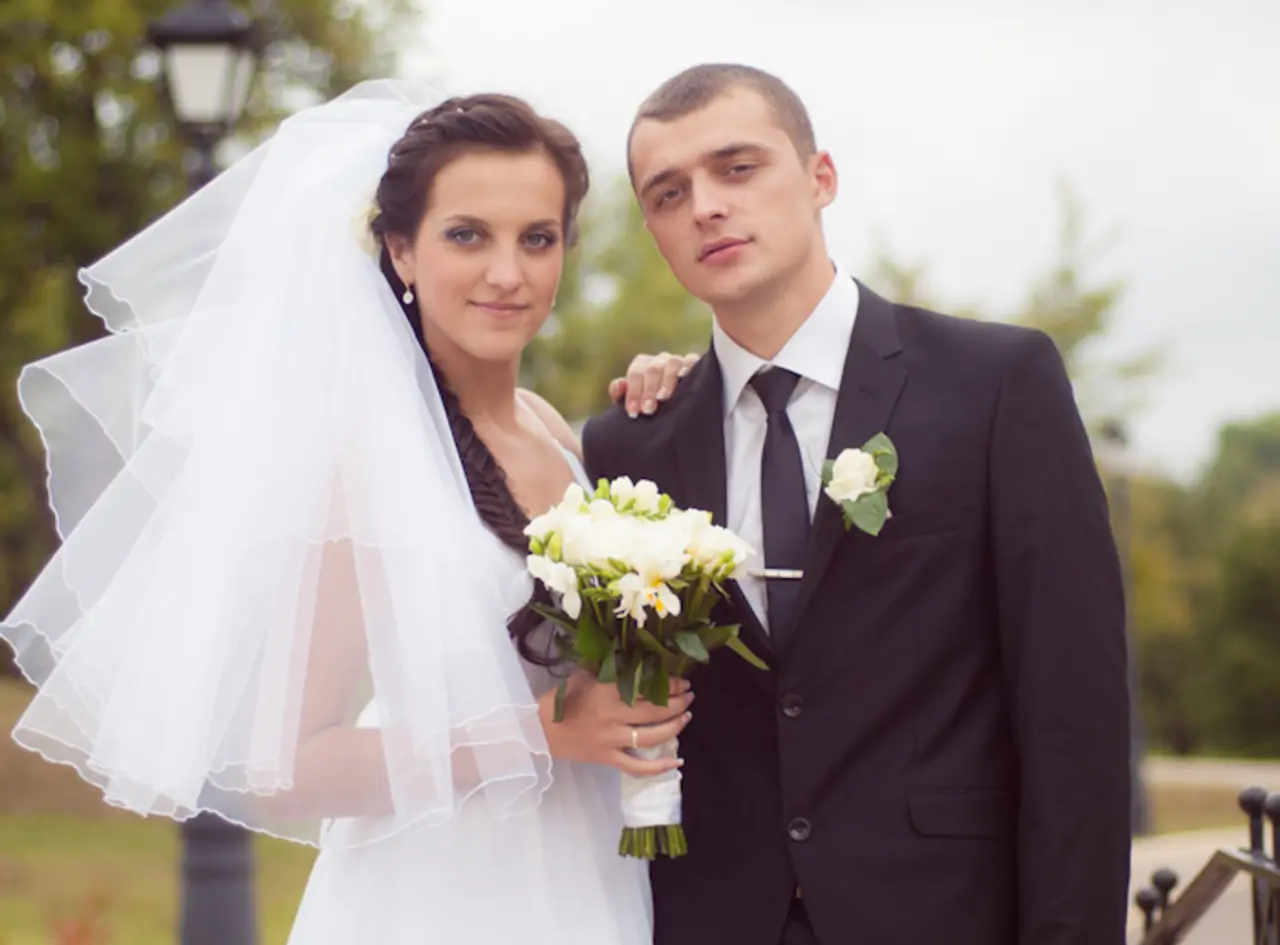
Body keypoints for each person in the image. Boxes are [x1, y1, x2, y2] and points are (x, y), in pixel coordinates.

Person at [1, 80, 691, 945]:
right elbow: (281, 767)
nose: (508, 272)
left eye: (537, 238)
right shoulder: (359, 463)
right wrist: (544, 732)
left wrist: (678, 394)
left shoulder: (551, 432)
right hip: (444, 894)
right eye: (467, 235)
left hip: (589, 868)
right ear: (401, 251)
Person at [585, 64, 1132, 945]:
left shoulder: (997, 386)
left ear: (820, 177)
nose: (706, 207)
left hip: (947, 916)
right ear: (652, 228)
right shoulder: (627, 450)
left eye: (738, 168)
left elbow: (1076, 717)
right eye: (669, 192)